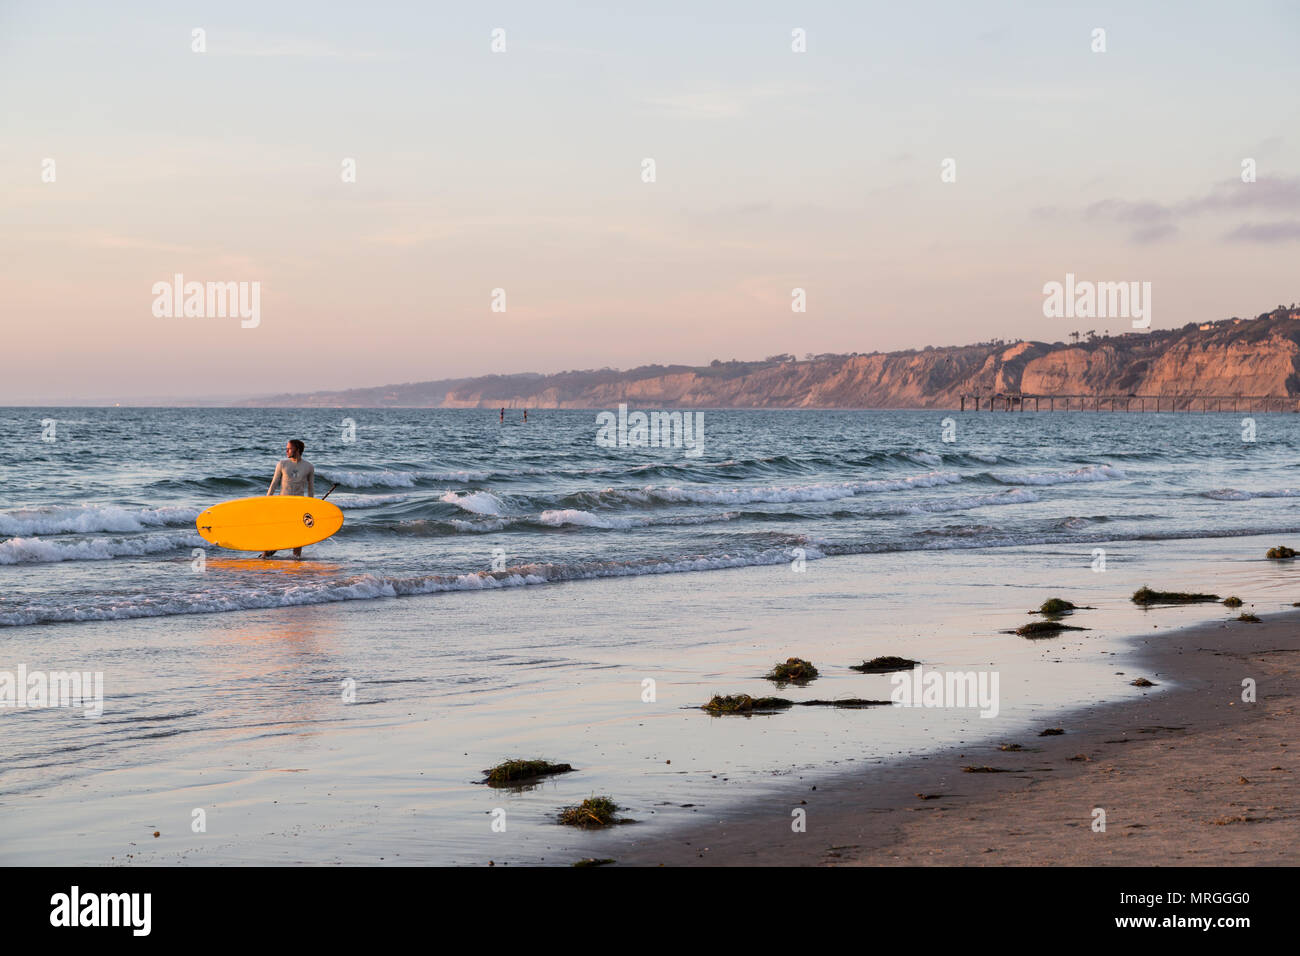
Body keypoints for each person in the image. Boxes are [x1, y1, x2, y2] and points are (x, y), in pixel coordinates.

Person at [261, 439, 315, 559]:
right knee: (275, 532)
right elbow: (274, 484)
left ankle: (296, 560)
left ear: (297, 449)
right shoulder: (282, 464)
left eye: (289, 448)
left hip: (299, 505)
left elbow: (311, 489)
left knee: (298, 535)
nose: (286, 450)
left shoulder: (309, 467)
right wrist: (266, 501)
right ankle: (264, 556)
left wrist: (312, 506)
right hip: (282, 504)